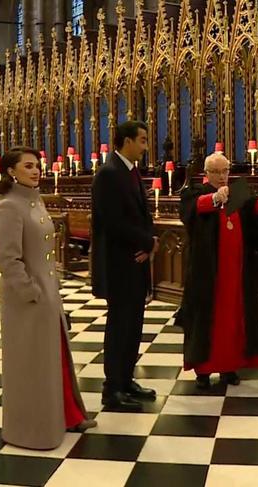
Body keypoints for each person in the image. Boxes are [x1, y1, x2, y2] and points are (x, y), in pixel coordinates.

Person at [0, 146, 95, 450]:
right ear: (11, 171)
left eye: (37, 165)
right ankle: (31, 430)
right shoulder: (9, 206)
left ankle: (65, 415)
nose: (36, 170)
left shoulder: (34, 201)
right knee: (31, 366)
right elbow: (8, 260)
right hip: (28, 302)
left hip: (47, 295)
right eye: (28, 166)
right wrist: (31, 292)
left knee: (53, 361)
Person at [177, 153, 258, 389]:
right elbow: (192, 210)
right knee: (206, 322)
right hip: (209, 274)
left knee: (235, 321)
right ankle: (203, 371)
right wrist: (213, 198)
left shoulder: (237, 193)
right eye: (216, 172)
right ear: (207, 172)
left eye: (225, 171)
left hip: (239, 272)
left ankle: (230, 368)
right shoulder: (194, 192)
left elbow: (255, 209)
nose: (222, 176)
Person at [91, 121, 159, 412]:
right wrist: (146, 242)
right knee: (120, 326)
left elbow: (140, 216)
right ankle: (112, 388)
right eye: (142, 141)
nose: (146, 147)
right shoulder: (108, 174)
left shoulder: (129, 171)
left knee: (134, 325)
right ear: (127, 141)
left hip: (135, 261)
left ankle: (126, 378)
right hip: (120, 263)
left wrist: (149, 242)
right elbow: (112, 222)